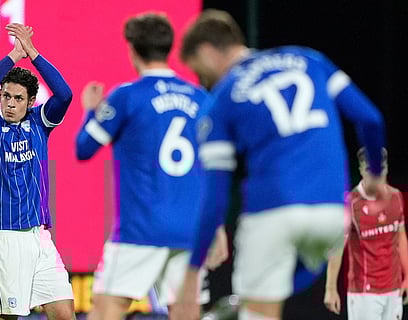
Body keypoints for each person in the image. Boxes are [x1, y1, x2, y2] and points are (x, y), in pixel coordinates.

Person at [171, 9, 387, 320]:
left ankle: (238, 308)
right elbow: (370, 119)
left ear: (206, 51)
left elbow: (216, 197)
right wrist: (376, 177)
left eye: (201, 73)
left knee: (258, 310)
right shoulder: (311, 60)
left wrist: (191, 274)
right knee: (284, 280)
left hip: (272, 214)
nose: (205, 82)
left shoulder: (222, 99)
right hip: (331, 217)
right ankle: (239, 305)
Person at [74, 12, 221, 320]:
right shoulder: (200, 98)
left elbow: (84, 148)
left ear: (132, 49)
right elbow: (215, 166)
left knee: (105, 312)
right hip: (190, 230)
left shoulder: (127, 97)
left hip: (140, 231)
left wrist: (90, 112)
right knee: (186, 314)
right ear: (169, 47)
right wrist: (217, 225)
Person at [0, 23, 75, 319]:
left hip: (39, 239)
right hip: (3, 238)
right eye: (6, 96)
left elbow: (64, 95)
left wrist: (34, 53)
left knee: (65, 314)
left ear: (30, 103)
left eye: (18, 99)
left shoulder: (39, 124)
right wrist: (15, 55)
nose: (10, 104)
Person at [324, 147, 408, 320]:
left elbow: (400, 237)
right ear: (361, 170)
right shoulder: (351, 204)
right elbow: (337, 248)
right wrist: (330, 289)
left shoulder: (396, 197)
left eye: (380, 169)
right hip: (364, 292)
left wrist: (407, 275)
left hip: (394, 290)